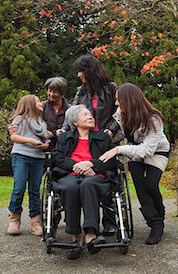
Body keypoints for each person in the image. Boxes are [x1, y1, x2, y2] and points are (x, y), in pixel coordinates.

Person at [99, 83, 170, 245]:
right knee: (140, 186)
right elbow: (122, 134)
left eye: (118, 100)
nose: (116, 104)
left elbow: (146, 150)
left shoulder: (154, 119)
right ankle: (154, 224)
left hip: (156, 152)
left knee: (151, 185)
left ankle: (160, 213)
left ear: (129, 100)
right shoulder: (122, 114)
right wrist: (106, 139)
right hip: (134, 150)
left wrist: (118, 150)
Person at [52, 105, 118, 259]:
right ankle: (75, 237)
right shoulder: (64, 137)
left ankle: (90, 234)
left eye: (91, 114)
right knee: (70, 187)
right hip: (70, 174)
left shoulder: (103, 138)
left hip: (96, 176)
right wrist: (75, 166)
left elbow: (112, 161)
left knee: (88, 184)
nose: (90, 117)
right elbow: (56, 157)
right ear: (74, 121)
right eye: (85, 114)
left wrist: (92, 164)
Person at [70, 54, 120, 235]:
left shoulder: (111, 88)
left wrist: (111, 131)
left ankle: (110, 220)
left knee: (106, 175)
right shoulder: (80, 91)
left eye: (80, 71)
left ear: (88, 71)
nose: (78, 75)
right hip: (85, 138)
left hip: (105, 139)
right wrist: (65, 131)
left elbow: (119, 112)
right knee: (88, 176)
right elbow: (73, 113)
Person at [7, 95, 51, 236]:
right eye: (38, 101)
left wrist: (45, 145)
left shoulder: (42, 123)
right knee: (19, 188)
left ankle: (35, 222)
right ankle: (14, 218)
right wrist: (31, 141)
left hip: (38, 158)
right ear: (30, 104)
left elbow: (45, 139)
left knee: (34, 190)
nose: (41, 102)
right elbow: (13, 137)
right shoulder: (20, 119)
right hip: (21, 156)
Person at [42, 76, 71, 150]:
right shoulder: (42, 106)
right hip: (44, 146)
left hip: (63, 147)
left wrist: (54, 133)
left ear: (62, 93)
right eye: (49, 91)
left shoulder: (70, 109)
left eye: (55, 92)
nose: (51, 94)